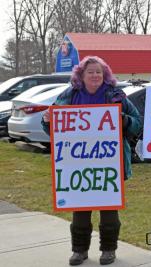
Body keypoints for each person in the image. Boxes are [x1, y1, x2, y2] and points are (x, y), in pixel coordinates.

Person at [42, 56, 142, 266]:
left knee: (109, 212)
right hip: (77, 164)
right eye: (91, 72)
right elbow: (52, 127)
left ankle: (108, 249)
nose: (95, 75)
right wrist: (46, 120)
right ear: (81, 75)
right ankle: (79, 250)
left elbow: (138, 123)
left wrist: (124, 120)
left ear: (105, 74)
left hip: (109, 164)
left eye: (99, 72)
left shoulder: (116, 95)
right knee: (80, 211)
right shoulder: (69, 95)